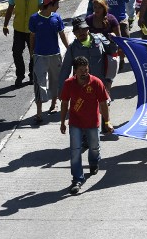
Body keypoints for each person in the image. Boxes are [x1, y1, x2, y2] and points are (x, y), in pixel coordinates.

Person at [60, 56, 113, 195]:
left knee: (94, 147)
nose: (84, 72)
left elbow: (103, 104)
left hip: (92, 122)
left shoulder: (96, 83)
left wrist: (107, 122)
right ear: (75, 71)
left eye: (86, 69)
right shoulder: (68, 84)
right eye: (81, 70)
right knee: (75, 151)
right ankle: (77, 179)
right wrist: (62, 122)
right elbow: (65, 103)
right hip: (75, 123)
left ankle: (94, 162)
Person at [29, 0, 69, 124]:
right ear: (50, 5)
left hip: (55, 55)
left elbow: (62, 35)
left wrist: (69, 48)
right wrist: (32, 52)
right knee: (39, 83)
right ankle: (39, 112)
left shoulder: (57, 18)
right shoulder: (34, 18)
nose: (58, 6)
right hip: (40, 56)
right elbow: (32, 37)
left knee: (56, 81)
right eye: (57, 3)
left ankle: (53, 104)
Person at [3, 0, 43, 86]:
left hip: (33, 31)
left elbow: (43, 12)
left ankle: (32, 75)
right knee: (16, 52)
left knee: (33, 53)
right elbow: (9, 11)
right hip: (19, 29)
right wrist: (5, 25)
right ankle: (20, 75)